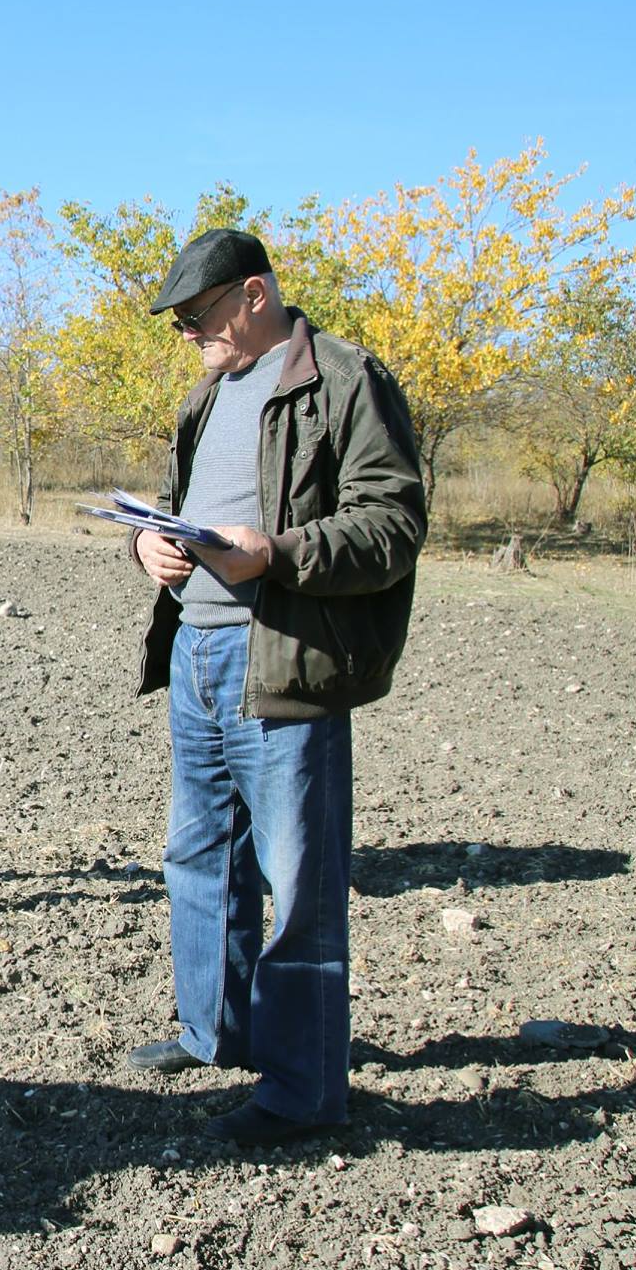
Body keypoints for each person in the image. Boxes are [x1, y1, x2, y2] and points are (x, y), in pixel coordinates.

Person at [124, 229, 425, 1145]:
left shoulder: (344, 379)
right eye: (180, 323)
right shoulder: (206, 395)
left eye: (197, 316)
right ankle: (215, 1031)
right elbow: (176, 507)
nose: (188, 334)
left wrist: (279, 553)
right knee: (198, 854)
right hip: (196, 652)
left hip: (285, 657)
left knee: (297, 881)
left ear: (254, 295)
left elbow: (393, 523)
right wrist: (146, 544)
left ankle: (301, 1091)